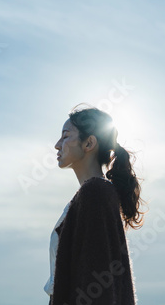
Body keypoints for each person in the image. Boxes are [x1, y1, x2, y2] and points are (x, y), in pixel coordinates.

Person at [44, 104, 146, 305]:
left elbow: (97, 281)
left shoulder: (95, 192)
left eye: (65, 136)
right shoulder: (89, 195)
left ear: (89, 143)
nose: (57, 145)